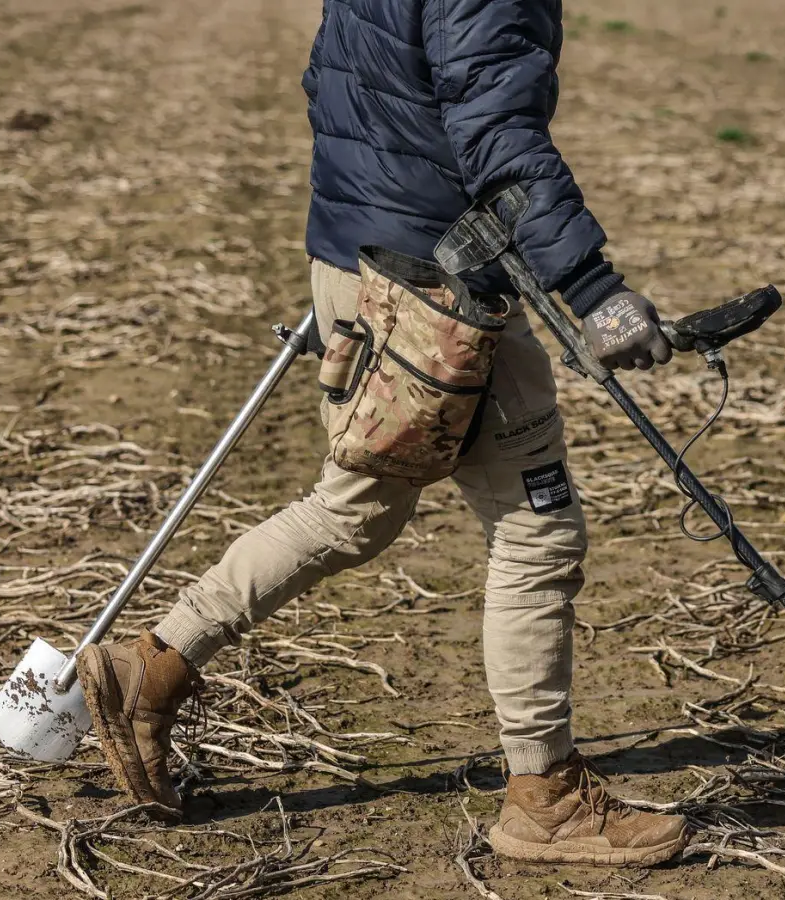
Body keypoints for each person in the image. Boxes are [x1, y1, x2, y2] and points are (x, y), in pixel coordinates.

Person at [74, 0, 687, 868]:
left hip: (366, 261)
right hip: (434, 290)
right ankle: (544, 799)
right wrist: (593, 288)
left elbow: (334, 77)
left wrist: (369, 221)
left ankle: (151, 669)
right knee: (536, 530)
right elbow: (499, 131)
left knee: (355, 511)